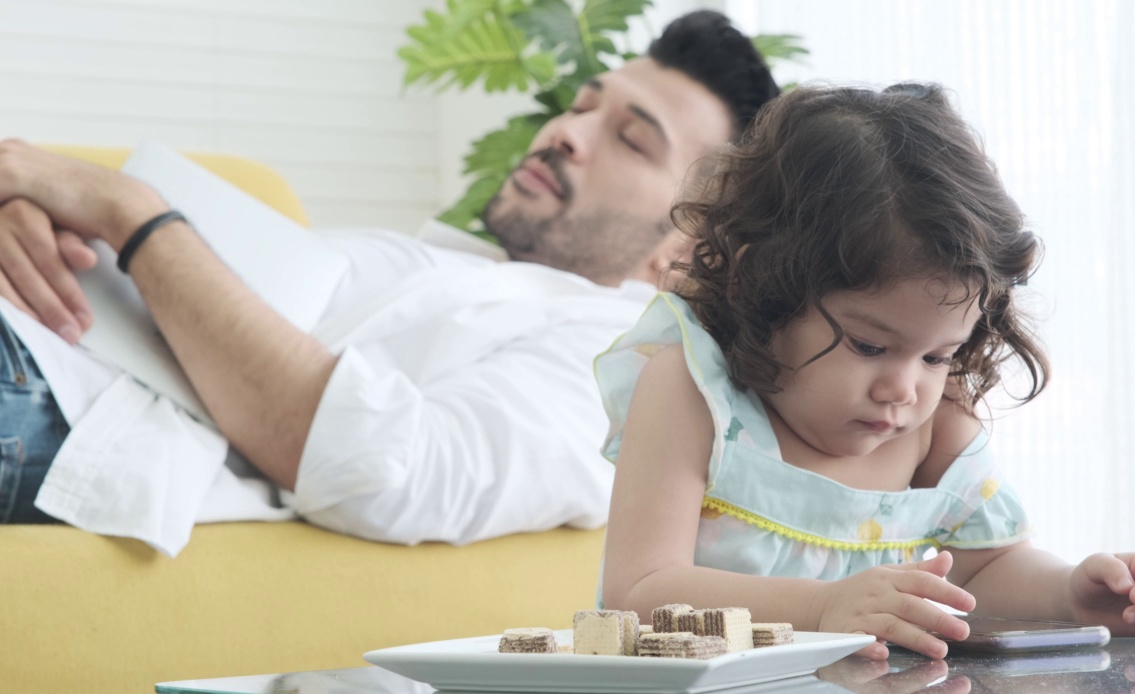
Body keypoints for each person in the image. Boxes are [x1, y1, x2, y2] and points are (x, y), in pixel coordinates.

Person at [0, 11, 780, 553]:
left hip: (50, 394)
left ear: (687, 252)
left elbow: (389, 469)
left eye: (631, 140)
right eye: (580, 107)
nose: (566, 134)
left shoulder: (616, 370)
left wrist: (132, 217)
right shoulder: (461, 271)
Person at [594, 84, 1135, 660]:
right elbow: (640, 589)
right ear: (764, 288)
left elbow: (986, 569)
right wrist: (823, 609)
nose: (904, 389)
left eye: (937, 355)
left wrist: (1073, 594)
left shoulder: (935, 422)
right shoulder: (694, 393)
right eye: (870, 346)